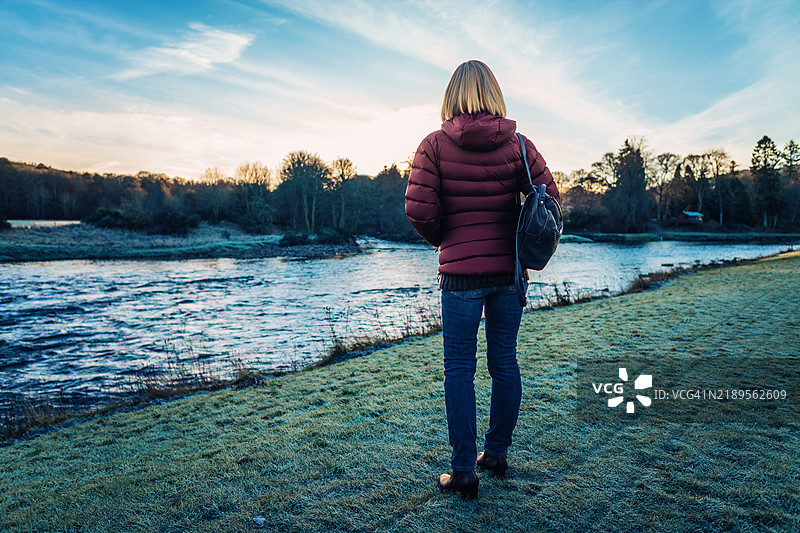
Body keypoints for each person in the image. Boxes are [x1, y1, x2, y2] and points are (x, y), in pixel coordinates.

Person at [404, 60, 560, 500]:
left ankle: (463, 473)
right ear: (494, 93)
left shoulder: (434, 144)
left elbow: (418, 209)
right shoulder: (520, 145)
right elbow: (550, 201)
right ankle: (495, 455)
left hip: (459, 277)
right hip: (508, 273)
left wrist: (445, 240)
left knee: (459, 367)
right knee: (504, 362)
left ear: (451, 95)